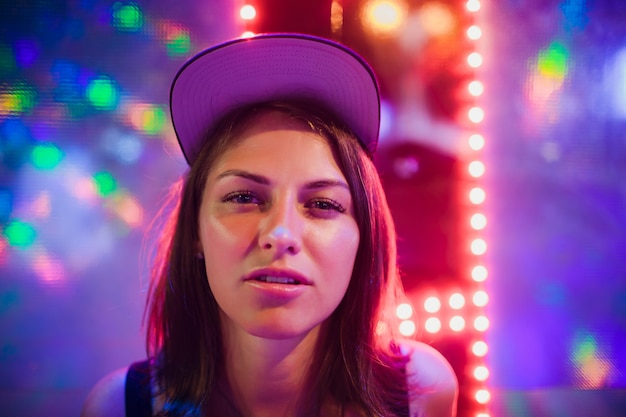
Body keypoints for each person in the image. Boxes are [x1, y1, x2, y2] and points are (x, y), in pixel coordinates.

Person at [81, 33, 458, 417]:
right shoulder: (117, 408)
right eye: (243, 198)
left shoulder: (421, 394)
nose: (280, 234)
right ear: (195, 229)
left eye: (323, 204)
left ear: (365, 237)